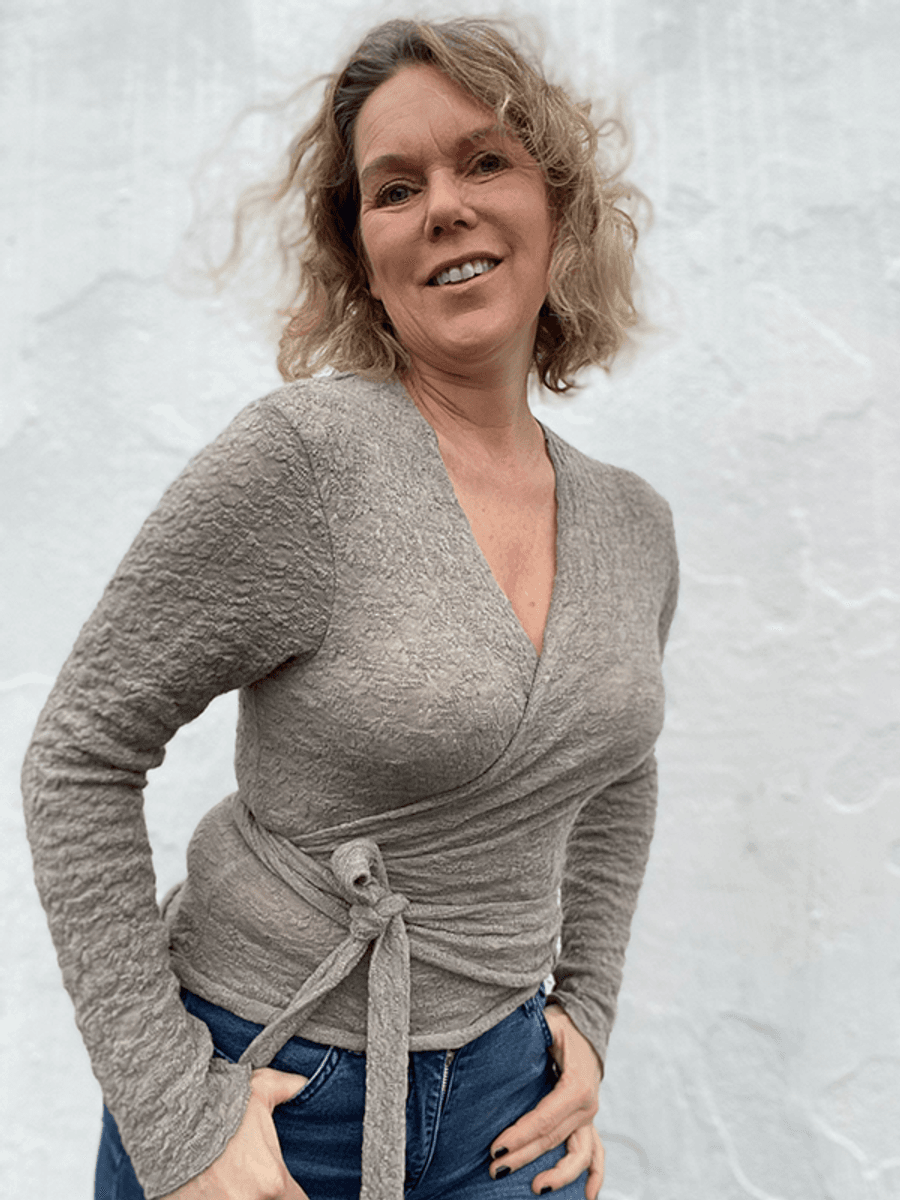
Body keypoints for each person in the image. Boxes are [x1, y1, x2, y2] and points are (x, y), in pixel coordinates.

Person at [22, 17, 678, 1200]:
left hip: (512, 1113)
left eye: (484, 161)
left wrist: (586, 1012)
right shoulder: (306, 464)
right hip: (274, 1099)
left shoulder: (633, 524)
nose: (445, 207)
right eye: (395, 187)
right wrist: (172, 1112)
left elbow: (618, 774)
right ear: (364, 254)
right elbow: (79, 755)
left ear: (557, 206)